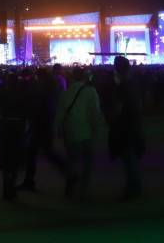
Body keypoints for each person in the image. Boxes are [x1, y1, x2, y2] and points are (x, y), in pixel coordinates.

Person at [54, 66, 103, 199]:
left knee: (72, 161)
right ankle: (83, 190)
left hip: (70, 132)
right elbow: (95, 113)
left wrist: (57, 129)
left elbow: (60, 114)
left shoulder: (66, 93)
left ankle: (70, 187)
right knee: (87, 163)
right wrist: (97, 130)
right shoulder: (91, 91)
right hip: (86, 132)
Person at [109, 56, 144, 200]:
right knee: (132, 159)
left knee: (129, 160)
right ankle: (134, 189)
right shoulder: (134, 84)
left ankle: (133, 191)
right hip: (134, 125)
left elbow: (117, 109)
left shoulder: (121, 88)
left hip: (125, 127)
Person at [0, 72, 29, 201]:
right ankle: (11, 186)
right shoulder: (22, 93)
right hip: (17, 127)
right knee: (15, 158)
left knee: (5, 157)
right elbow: (26, 111)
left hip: (5, 126)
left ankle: (6, 187)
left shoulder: (1, 92)